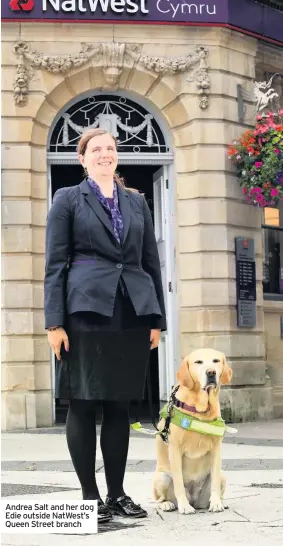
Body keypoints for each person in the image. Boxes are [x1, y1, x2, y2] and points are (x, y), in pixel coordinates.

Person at [44, 128, 167, 523]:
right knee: (83, 401)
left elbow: (151, 261)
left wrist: (155, 318)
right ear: (82, 159)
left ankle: (116, 494)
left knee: (119, 405)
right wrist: (53, 323)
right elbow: (54, 265)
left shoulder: (137, 203)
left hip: (132, 309)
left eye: (110, 149)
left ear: (117, 156)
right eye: (95, 149)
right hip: (84, 312)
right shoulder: (67, 199)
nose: (103, 154)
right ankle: (89, 498)